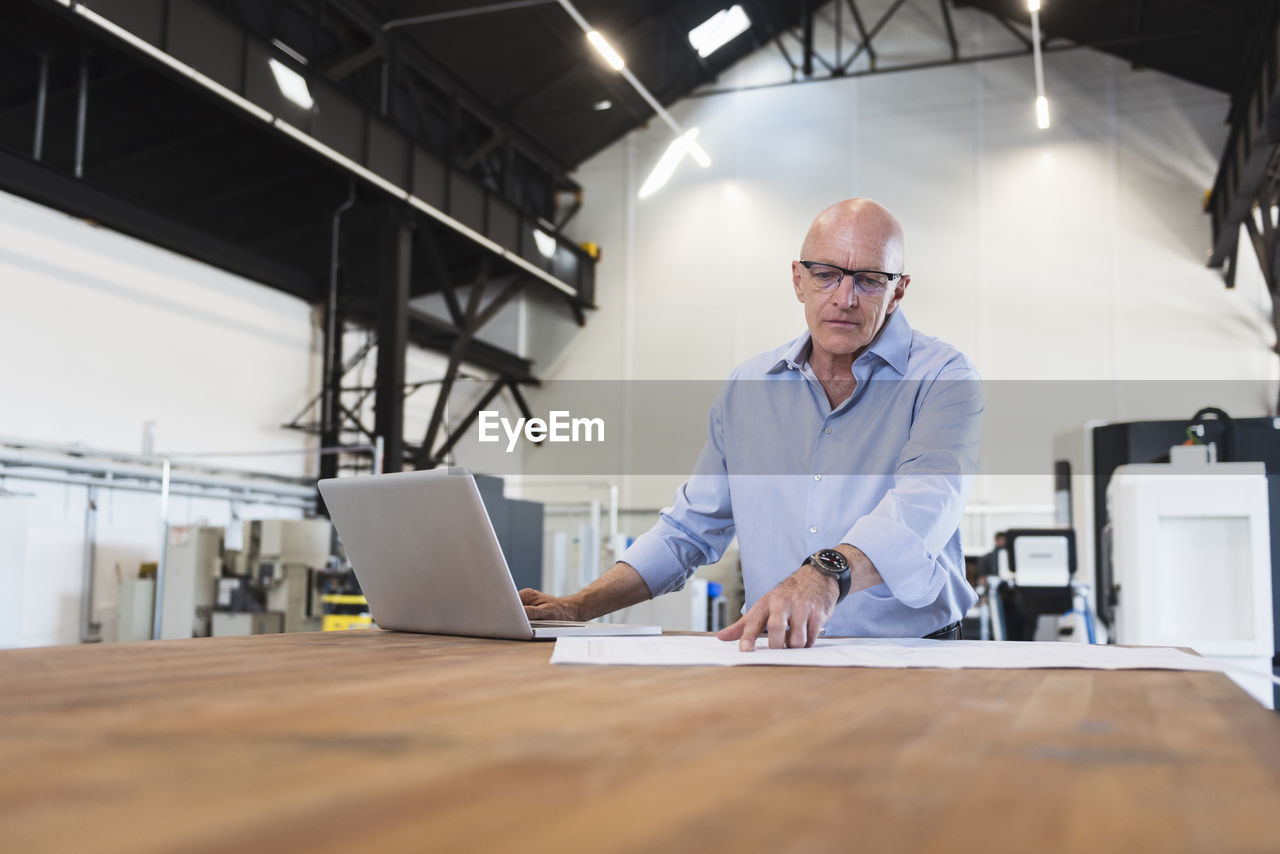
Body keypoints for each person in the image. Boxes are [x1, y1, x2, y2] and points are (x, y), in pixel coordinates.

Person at [520, 198, 982, 650]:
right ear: (798, 280)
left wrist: (826, 574)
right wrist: (578, 607)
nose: (845, 298)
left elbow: (925, 503)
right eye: (825, 275)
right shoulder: (748, 388)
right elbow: (688, 529)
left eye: (869, 280)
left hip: (914, 658)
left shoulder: (943, 377)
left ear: (898, 291)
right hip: (782, 657)